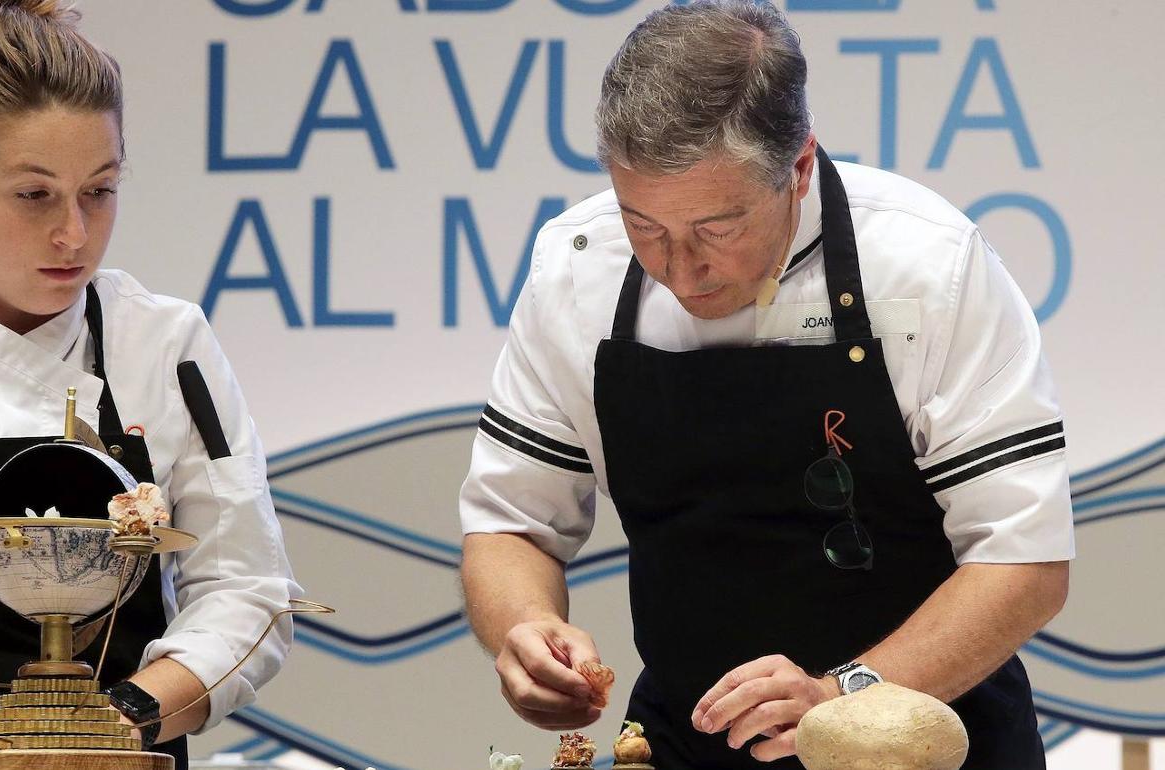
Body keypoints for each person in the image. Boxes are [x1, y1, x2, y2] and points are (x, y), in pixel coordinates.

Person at [458, 2, 1073, 767]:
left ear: (800, 167)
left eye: (717, 229)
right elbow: (511, 523)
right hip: (684, 742)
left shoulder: (929, 266)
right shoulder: (575, 267)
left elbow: (1025, 562)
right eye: (644, 227)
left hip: (929, 740)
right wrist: (523, 628)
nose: (680, 270)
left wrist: (846, 693)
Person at [0, 2, 301, 768]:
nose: (74, 235)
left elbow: (249, 593)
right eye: (35, 196)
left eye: (100, 190)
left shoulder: (164, 344)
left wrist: (123, 719)